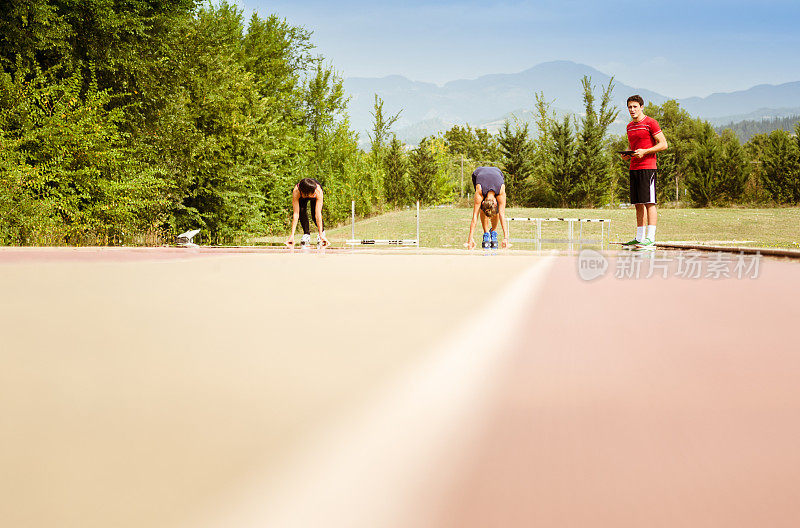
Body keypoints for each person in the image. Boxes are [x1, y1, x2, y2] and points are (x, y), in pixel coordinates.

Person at [621, 95, 668, 249]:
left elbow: (663, 144)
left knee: (649, 202)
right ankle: (639, 237)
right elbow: (632, 146)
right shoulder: (629, 126)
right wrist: (626, 154)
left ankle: (650, 238)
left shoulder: (651, 123)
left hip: (648, 167)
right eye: (629, 107)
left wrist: (645, 152)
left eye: (635, 106)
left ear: (641, 107)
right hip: (633, 167)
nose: (632, 110)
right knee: (638, 204)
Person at [467, 166, 510, 250]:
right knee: (482, 209)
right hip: (477, 174)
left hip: (498, 173)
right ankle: (486, 233)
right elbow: (475, 216)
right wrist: (470, 239)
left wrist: (506, 238)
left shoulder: (501, 190)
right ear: (483, 201)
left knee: (497, 211)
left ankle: (493, 232)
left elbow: (502, 215)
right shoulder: (479, 191)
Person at [286, 178, 329, 247]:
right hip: (303, 193)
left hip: (311, 192)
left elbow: (318, 213)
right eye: (312, 194)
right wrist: (292, 235)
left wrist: (321, 234)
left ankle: (321, 233)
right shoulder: (296, 191)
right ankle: (306, 234)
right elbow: (296, 214)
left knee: (314, 214)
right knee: (301, 211)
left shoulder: (318, 191)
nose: (313, 195)